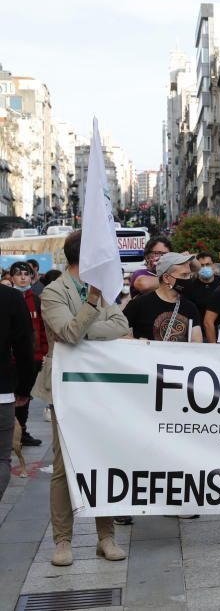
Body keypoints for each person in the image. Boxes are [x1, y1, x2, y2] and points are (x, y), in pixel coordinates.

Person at [35, 230, 130, 566]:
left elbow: (121, 325)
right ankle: (63, 541)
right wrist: (91, 307)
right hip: (66, 386)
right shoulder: (52, 292)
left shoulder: (103, 293)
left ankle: (106, 537)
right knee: (64, 465)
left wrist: (87, 325)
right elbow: (68, 334)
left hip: (101, 386)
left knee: (103, 458)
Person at [0, 281, 34, 501]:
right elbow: (24, 347)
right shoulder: (11, 297)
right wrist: (23, 388)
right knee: (2, 459)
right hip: (1, 390)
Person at [123, 252, 204, 343]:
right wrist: (139, 343)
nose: (188, 279)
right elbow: (115, 333)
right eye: (184, 275)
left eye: (190, 275)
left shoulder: (190, 307)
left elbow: (197, 343)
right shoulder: (139, 304)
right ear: (166, 278)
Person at [8, 261, 45, 446]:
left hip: (34, 358)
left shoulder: (37, 300)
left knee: (25, 397)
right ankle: (9, 434)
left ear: (32, 277)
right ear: (11, 277)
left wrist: (43, 352)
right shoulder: (8, 299)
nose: (23, 277)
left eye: (26, 273)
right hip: (12, 359)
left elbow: (43, 329)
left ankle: (22, 432)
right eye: (18, 274)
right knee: (10, 398)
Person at [187, 251, 220, 318]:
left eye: (208, 264)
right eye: (202, 265)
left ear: (213, 265)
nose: (205, 267)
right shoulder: (191, 285)